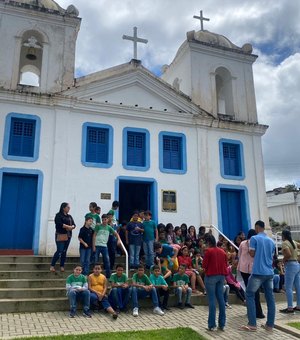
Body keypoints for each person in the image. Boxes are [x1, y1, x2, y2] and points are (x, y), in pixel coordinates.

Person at [240, 220, 276, 332]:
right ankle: (270, 325)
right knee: (270, 298)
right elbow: (272, 255)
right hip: (269, 273)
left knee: (249, 294)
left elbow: (252, 253)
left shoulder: (254, 239)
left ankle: (252, 324)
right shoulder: (271, 241)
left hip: (258, 272)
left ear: (256, 228)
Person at [202, 234, 227, 331]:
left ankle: (212, 325)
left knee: (212, 300)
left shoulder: (208, 251)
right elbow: (225, 264)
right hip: (221, 276)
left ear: (208, 242)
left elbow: (204, 265)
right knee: (221, 300)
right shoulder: (222, 251)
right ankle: (222, 324)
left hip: (211, 276)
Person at [238, 229, 264, 318]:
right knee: (255, 291)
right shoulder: (257, 243)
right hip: (254, 269)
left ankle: (252, 311)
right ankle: (258, 311)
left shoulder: (242, 244)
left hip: (244, 269)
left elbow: (239, 255)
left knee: (248, 291)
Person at [92, 213, 121, 278]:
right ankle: (94, 274)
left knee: (107, 260)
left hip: (104, 246)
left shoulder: (109, 227)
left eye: (105, 219)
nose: (104, 221)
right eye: (103, 220)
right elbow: (94, 236)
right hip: (97, 245)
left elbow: (116, 234)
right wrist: (93, 246)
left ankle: (108, 276)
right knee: (95, 261)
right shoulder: (98, 226)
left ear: (107, 220)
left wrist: (118, 239)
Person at [50, 202, 76, 272]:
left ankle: (62, 265)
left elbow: (74, 224)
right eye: (68, 207)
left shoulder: (69, 216)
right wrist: (67, 226)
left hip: (68, 235)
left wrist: (72, 227)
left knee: (64, 251)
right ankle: (52, 265)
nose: (69, 208)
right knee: (59, 250)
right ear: (63, 208)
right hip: (60, 235)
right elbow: (59, 224)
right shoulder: (58, 215)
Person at [279, 229, 300, 313]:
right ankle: (298, 306)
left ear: (283, 235)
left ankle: (290, 307)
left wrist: (283, 260)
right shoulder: (294, 242)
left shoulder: (285, 243)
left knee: (288, 287)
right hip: (297, 265)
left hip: (290, 265)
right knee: (298, 287)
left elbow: (288, 254)